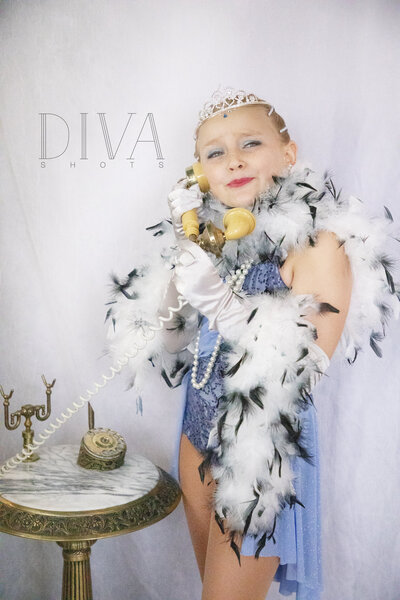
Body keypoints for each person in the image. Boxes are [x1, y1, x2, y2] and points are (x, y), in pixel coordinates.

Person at [106, 88, 399, 600]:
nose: (234, 160)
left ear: (288, 153)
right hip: (195, 439)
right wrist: (185, 246)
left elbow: (304, 368)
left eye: (250, 143)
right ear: (199, 173)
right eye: (215, 152)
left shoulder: (318, 244)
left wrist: (220, 301)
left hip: (260, 458)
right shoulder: (220, 239)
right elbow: (172, 338)